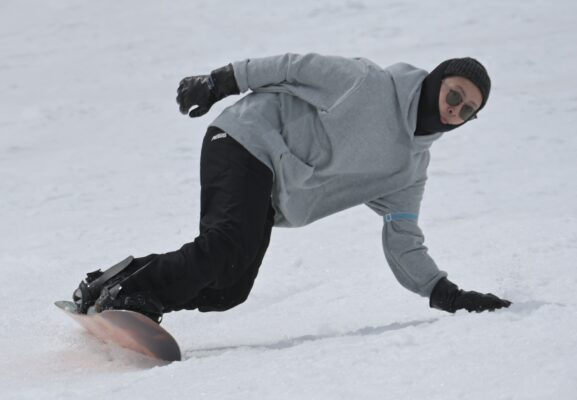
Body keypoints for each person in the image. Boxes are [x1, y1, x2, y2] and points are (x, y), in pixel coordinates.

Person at [72, 53, 512, 323]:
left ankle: (111, 285)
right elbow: (292, 67)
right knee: (227, 245)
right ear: (438, 81)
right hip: (248, 136)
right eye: (454, 95)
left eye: (468, 110)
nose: (455, 110)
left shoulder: (409, 170)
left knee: (230, 291)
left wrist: (444, 293)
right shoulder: (370, 83)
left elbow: (403, 239)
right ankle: (129, 298)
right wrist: (220, 81)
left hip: (269, 185)